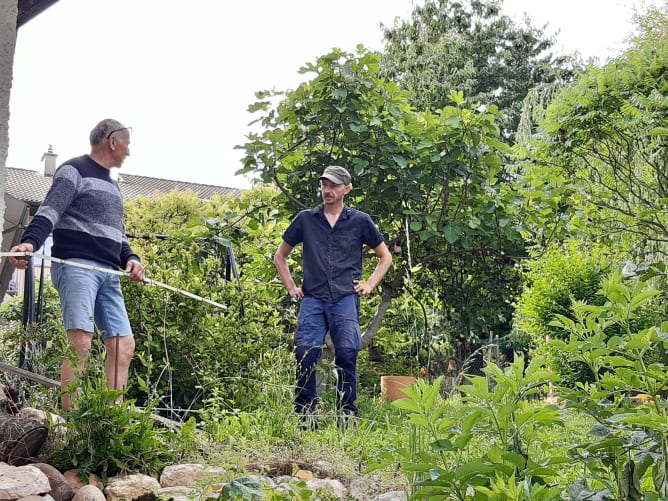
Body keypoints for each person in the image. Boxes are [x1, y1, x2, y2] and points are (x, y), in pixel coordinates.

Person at [9, 118, 145, 410]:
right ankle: (71, 424)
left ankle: (110, 422)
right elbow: (50, 210)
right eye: (127, 145)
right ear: (112, 141)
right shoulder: (74, 170)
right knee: (80, 344)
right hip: (77, 267)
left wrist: (131, 259)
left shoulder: (113, 187)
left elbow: (117, 234)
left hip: (109, 273)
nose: (128, 152)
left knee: (123, 347)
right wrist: (30, 243)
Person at [274, 165, 392, 426]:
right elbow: (280, 256)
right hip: (313, 298)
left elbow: (386, 257)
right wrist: (291, 287)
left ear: (346, 189)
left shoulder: (360, 221)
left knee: (347, 355)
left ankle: (346, 418)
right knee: (306, 354)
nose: (327, 190)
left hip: (345, 298)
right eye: (324, 185)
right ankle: (306, 418)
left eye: (334, 185)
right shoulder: (306, 219)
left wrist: (370, 284)